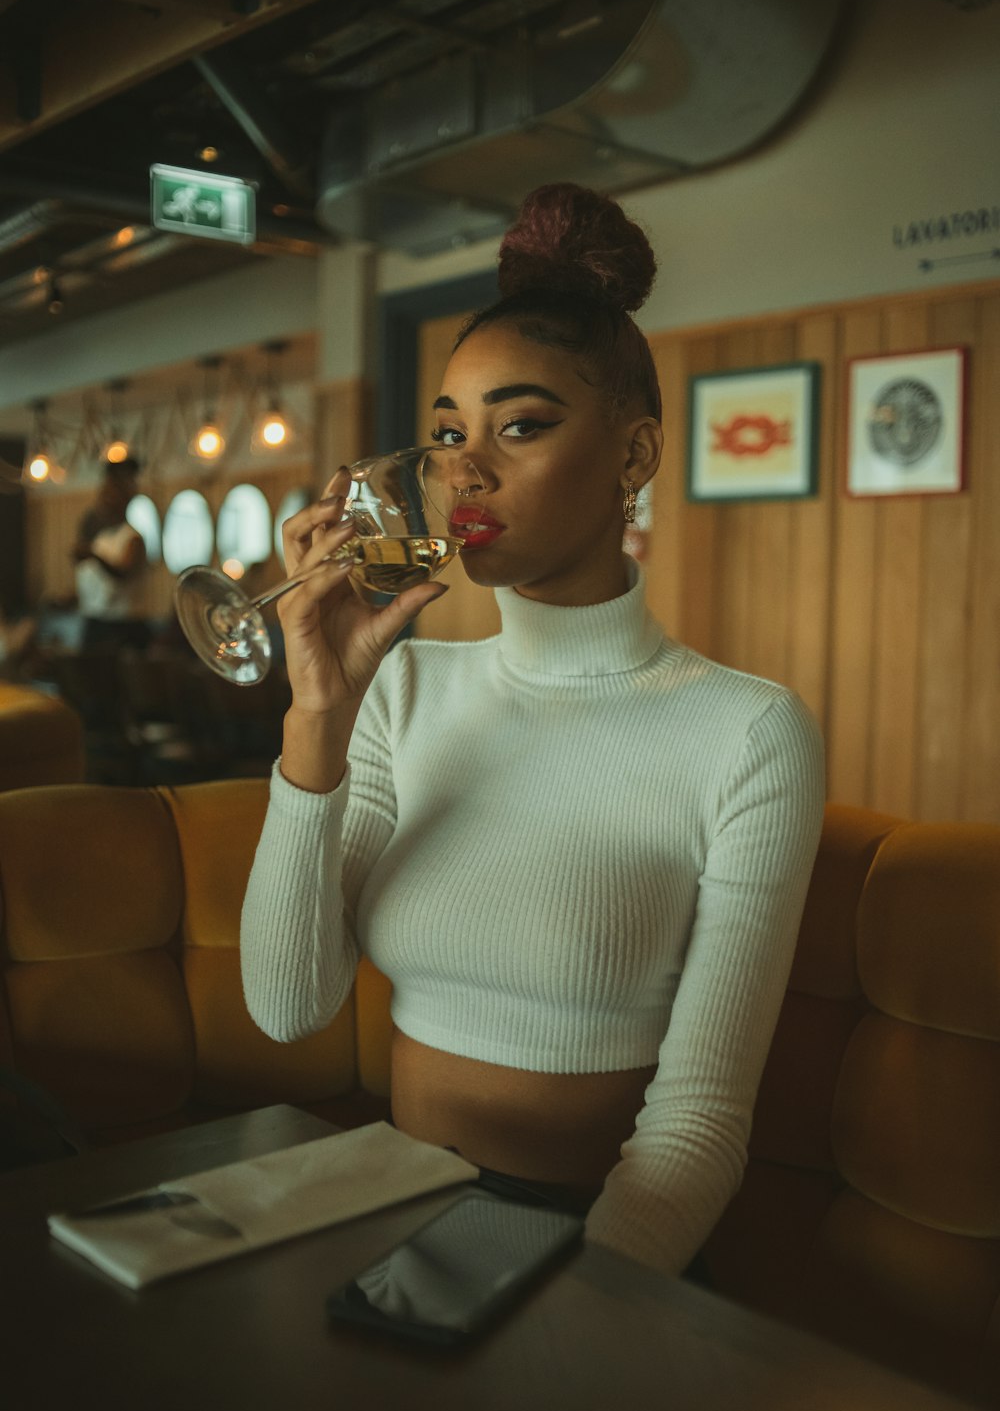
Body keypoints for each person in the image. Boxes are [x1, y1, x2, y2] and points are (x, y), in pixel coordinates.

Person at [240, 183, 825, 1277]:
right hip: (381, 1213)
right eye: (450, 435)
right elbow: (286, 1008)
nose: (469, 472)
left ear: (635, 455)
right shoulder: (402, 692)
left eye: (521, 426)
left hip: (599, 1249)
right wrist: (316, 717)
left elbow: (698, 1126)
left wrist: (577, 1320)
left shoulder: (747, 732)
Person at [72, 457, 151, 653]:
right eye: (103, 495)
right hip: (95, 622)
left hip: (122, 628)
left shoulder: (133, 538)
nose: (104, 501)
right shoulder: (101, 538)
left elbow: (123, 572)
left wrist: (94, 557)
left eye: (110, 495)